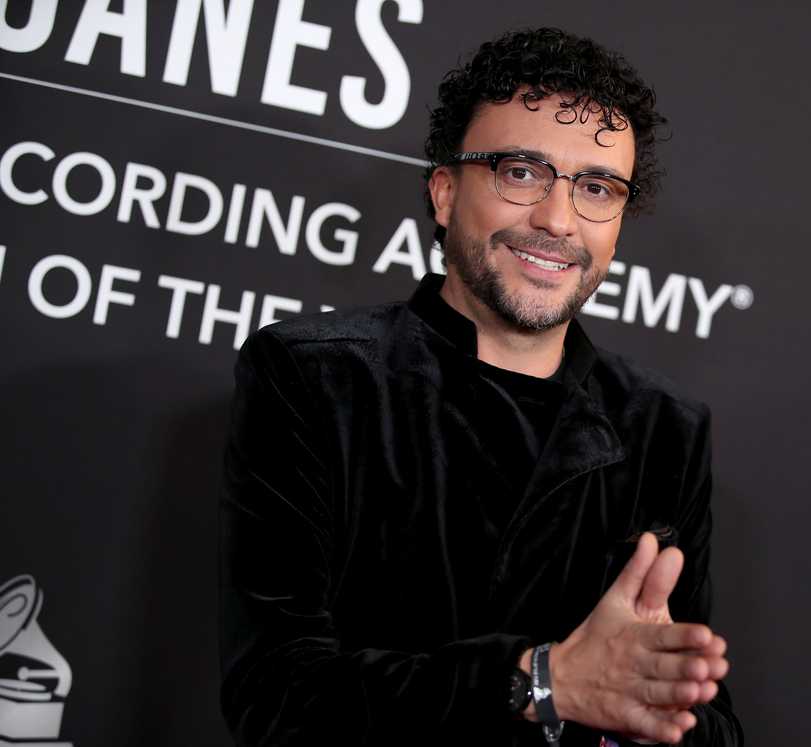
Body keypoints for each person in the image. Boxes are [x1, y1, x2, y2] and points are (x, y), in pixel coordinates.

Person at [220, 27, 744, 746]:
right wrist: (542, 681)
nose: (557, 220)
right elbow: (275, 694)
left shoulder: (665, 427)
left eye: (596, 188)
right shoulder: (315, 377)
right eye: (521, 172)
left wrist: (647, 711)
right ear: (444, 193)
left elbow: (712, 725)